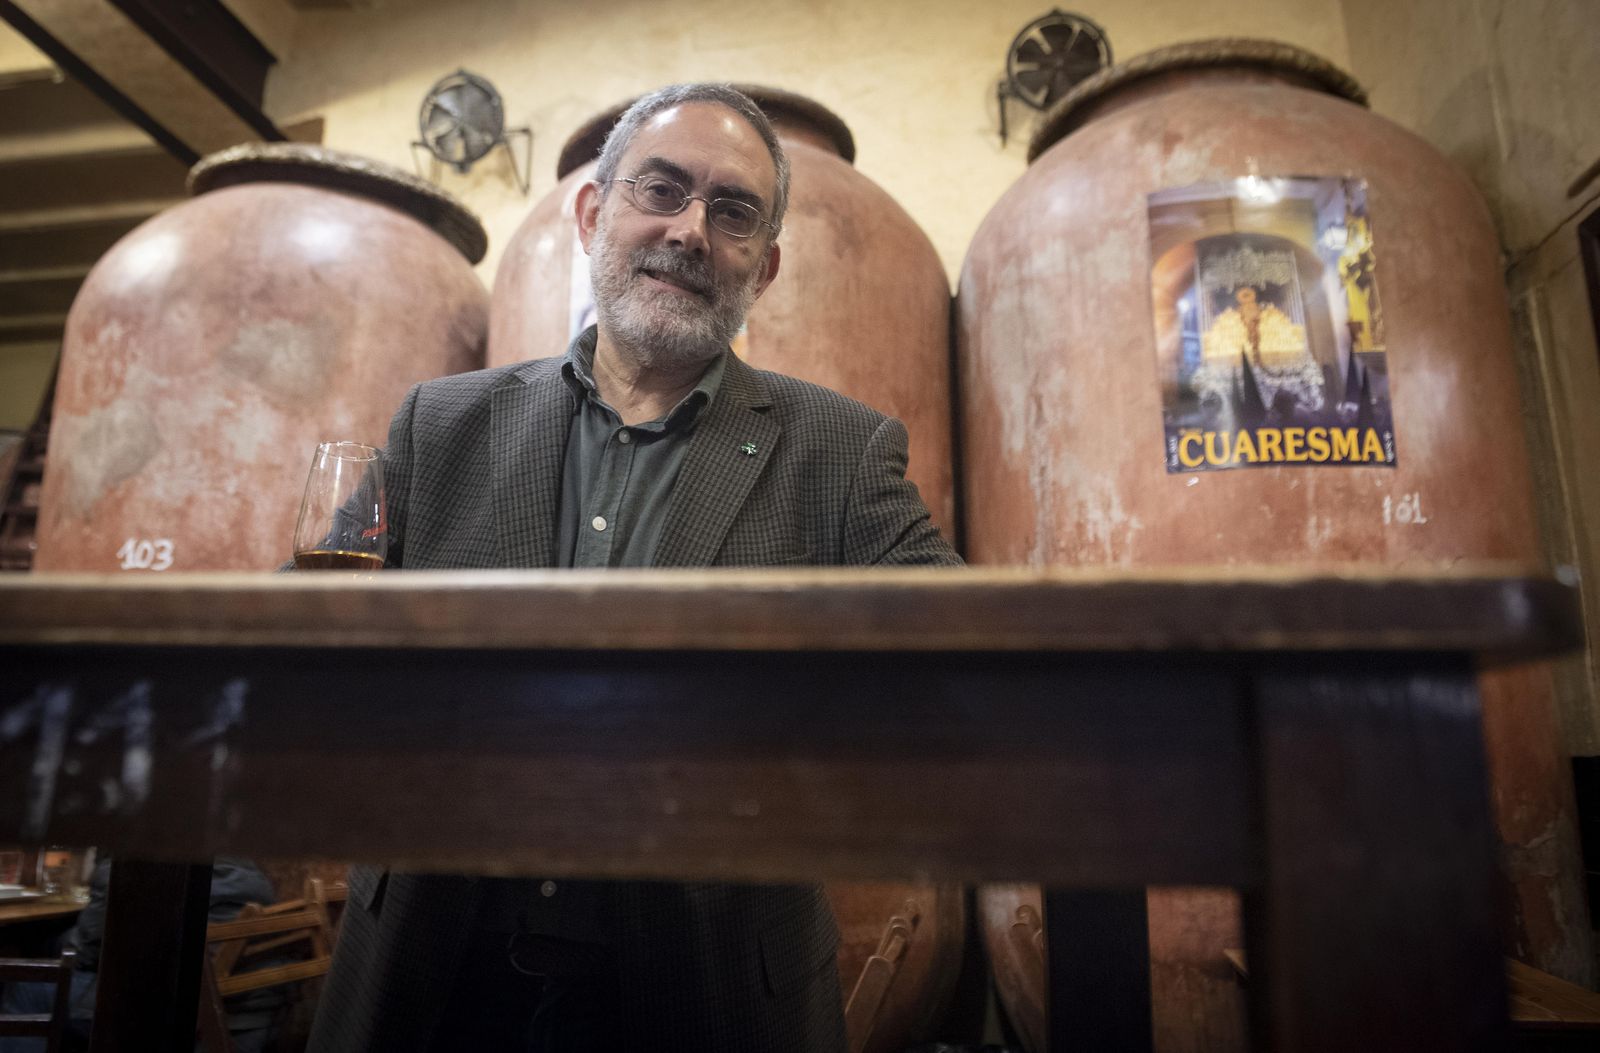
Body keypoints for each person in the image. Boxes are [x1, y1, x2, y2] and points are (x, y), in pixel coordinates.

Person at [306, 83, 959, 1053]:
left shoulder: (836, 449)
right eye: (661, 190)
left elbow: (956, 652)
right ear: (592, 212)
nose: (691, 232)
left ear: (765, 267)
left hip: (710, 983)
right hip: (434, 971)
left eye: (732, 212)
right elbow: (305, 623)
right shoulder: (440, 426)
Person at [0, 856, 280, 1053]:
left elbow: (87, 953)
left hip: (176, 1016)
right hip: (248, 1016)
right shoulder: (252, 872)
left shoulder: (130, 863)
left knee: (27, 988)